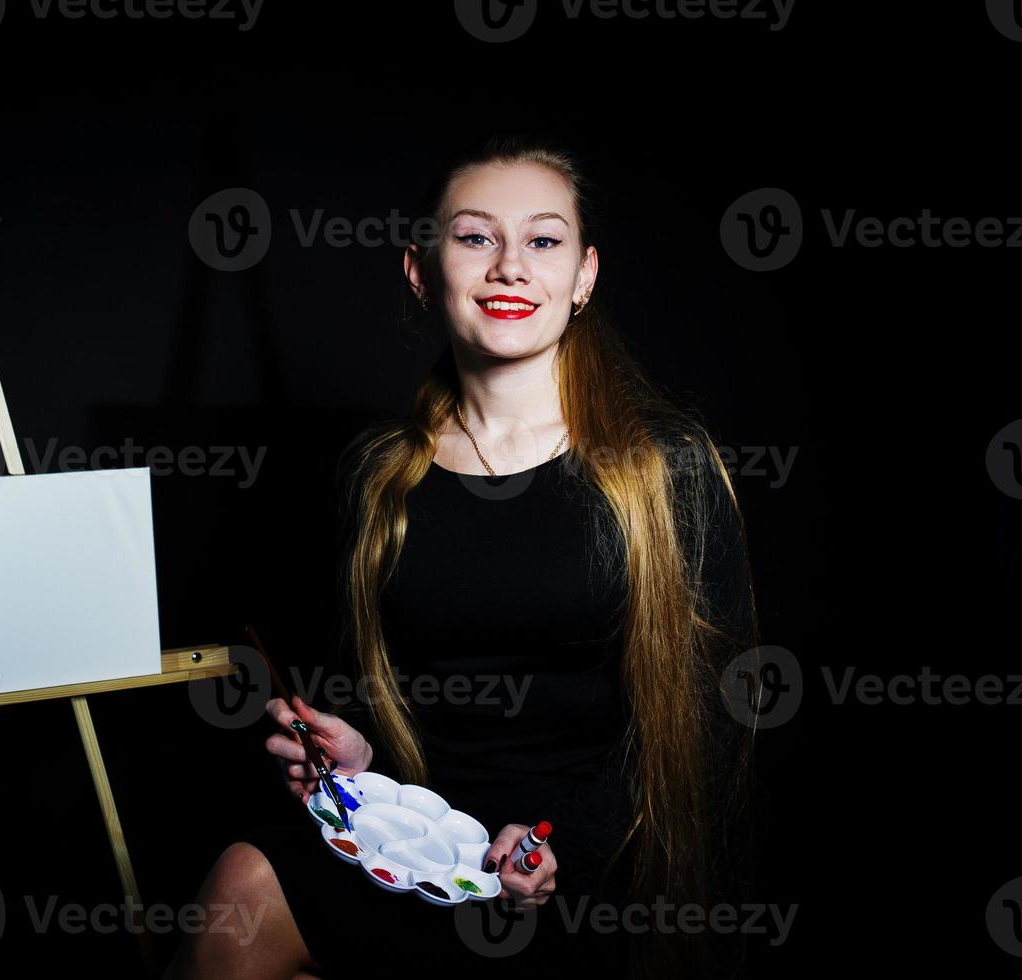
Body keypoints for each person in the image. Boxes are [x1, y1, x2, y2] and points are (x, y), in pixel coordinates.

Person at [163, 134, 763, 980]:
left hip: (589, 864)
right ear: (419, 270)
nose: (510, 266)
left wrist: (558, 846)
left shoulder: (666, 468)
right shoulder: (375, 472)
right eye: (476, 237)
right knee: (236, 891)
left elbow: (704, 732)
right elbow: (373, 684)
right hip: (413, 837)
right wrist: (355, 758)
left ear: (583, 275)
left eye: (543, 241)